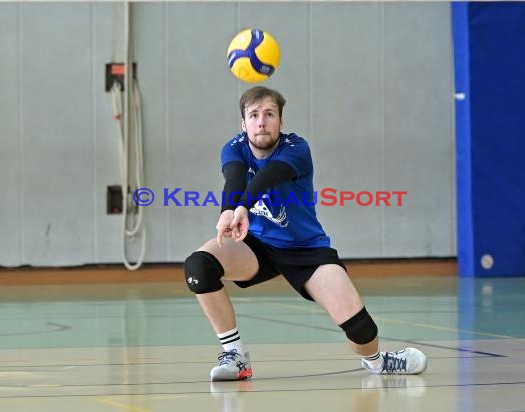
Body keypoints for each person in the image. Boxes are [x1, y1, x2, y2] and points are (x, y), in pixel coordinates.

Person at [183, 86, 427, 381]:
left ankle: (377, 361)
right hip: (256, 246)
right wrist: (227, 210)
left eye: (270, 114)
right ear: (243, 123)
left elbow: (268, 177)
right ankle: (236, 357)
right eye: (254, 115)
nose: (262, 122)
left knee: (361, 329)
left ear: (281, 122)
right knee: (199, 267)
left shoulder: (297, 149)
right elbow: (234, 177)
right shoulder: (233, 148)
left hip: (305, 250)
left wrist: (243, 206)